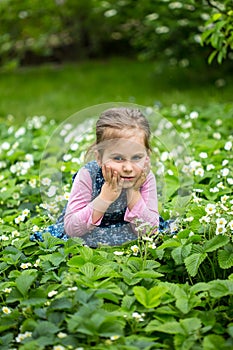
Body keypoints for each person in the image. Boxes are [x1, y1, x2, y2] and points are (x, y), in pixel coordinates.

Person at [31, 108, 160, 247]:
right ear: (99, 157)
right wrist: (105, 198)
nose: (128, 168)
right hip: (87, 237)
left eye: (136, 157)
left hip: (129, 238)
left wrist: (134, 194)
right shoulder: (88, 175)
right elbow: (71, 229)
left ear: (147, 156)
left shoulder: (144, 177)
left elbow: (149, 231)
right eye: (118, 158)